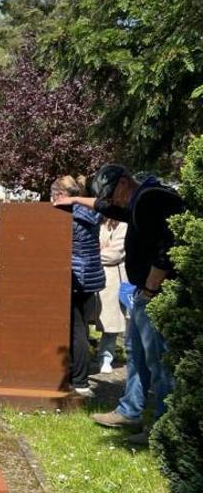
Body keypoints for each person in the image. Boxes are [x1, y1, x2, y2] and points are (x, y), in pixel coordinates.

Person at [53, 164, 184, 444]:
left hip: (154, 294)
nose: (112, 201)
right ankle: (130, 411)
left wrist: (149, 289)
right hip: (143, 293)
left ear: (125, 182)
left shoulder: (150, 200)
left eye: (113, 194)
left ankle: (164, 428)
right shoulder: (135, 199)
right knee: (136, 356)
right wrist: (75, 199)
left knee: (159, 363)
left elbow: (165, 250)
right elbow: (107, 207)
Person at [51, 176, 104, 397]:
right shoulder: (91, 212)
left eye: (53, 196)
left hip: (74, 277)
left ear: (62, 196)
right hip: (91, 277)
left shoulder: (68, 217)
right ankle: (80, 376)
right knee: (82, 326)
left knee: (76, 330)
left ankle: (80, 381)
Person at [96, 218, 128, 374]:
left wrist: (92, 252)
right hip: (91, 274)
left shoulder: (122, 224)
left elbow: (114, 254)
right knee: (83, 321)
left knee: (110, 324)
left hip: (112, 278)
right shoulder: (95, 221)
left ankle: (106, 358)